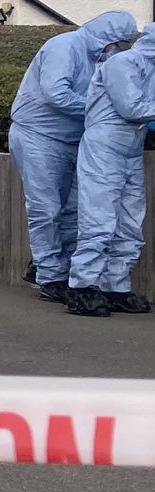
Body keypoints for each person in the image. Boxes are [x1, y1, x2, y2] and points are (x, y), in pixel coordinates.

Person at [8, 11, 138, 303]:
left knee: (73, 209)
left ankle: (58, 269)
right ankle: (50, 276)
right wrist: (104, 110)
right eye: (120, 42)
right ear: (108, 38)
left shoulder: (101, 57)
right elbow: (56, 94)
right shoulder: (64, 46)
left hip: (76, 138)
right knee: (46, 208)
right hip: (38, 136)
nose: (121, 48)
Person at [64, 23, 155, 318]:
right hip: (105, 144)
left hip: (131, 145)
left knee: (130, 219)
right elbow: (132, 107)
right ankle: (83, 286)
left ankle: (115, 286)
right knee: (99, 216)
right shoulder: (124, 62)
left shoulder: (147, 66)